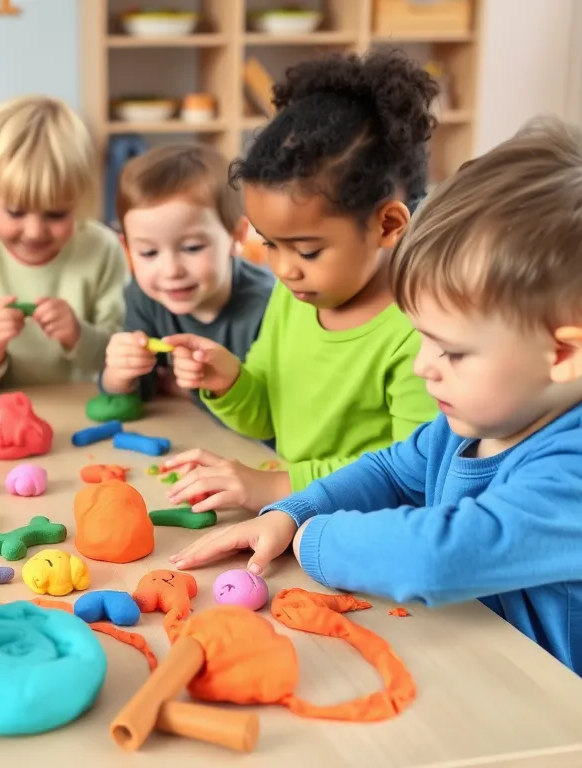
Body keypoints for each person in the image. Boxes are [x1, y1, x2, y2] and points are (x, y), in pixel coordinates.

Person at [171, 116, 582, 675]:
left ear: (561, 355)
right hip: (479, 664)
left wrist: (315, 538)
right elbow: (390, 471)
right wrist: (294, 511)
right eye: (422, 339)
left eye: (451, 351)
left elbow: (442, 555)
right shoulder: (474, 421)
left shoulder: (570, 473)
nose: (422, 366)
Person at [160, 50, 438, 515]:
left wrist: (273, 486)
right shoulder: (297, 297)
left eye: (308, 251)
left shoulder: (420, 333)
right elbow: (269, 415)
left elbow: (411, 479)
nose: (284, 269)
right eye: (269, 244)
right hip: (293, 513)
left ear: (388, 224)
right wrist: (229, 382)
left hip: (360, 530)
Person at [0, 95, 128, 388]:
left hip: (82, 408)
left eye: (56, 214)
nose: (34, 232)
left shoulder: (103, 250)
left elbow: (120, 357)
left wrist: (77, 335)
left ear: (80, 200)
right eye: (15, 212)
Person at [100, 143, 275, 416]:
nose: (171, 271)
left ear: (236, 236)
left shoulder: (270, 307)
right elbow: (139, 393)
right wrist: (118, 375)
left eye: (192, 248)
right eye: (148, 252)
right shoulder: (144, 295)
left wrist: (195, 391)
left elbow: (275, 414)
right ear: (128, 248)